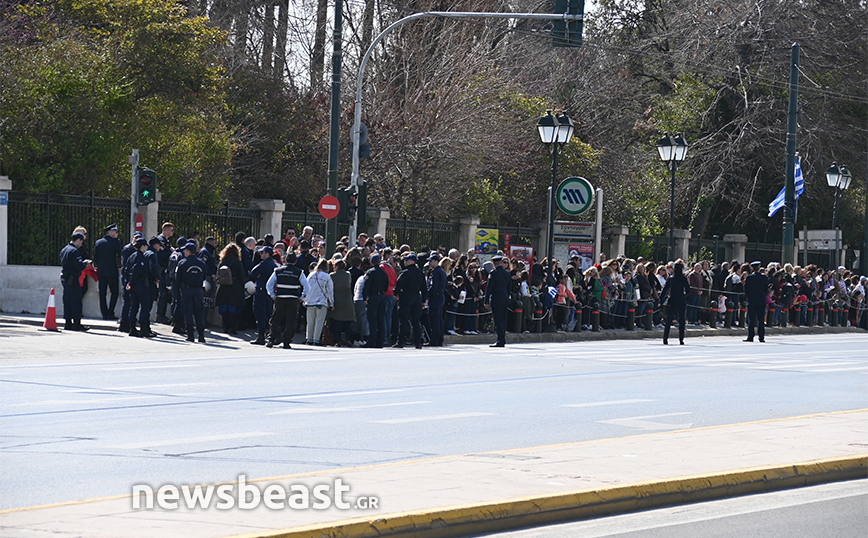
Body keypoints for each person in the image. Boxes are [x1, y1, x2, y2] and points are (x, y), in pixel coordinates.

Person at [266, 252, 308, 349]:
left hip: (280, 297)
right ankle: (286, 341)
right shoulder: (299, 272)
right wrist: (302, 297)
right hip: (293, 299)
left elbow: (269, 284)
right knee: (291, 320)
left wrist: (273, 295)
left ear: (285, 260)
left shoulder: (278, 271)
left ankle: (272, 338)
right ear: (296, 261)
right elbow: (307, 286)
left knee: (275, 319)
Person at [393, 252, 427, 349]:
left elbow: (398, 285)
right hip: (417, 297)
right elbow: (424, 287)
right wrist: (423, 300)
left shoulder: (405, 272)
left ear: (412, 261)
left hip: (406, 297)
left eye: (407, 260)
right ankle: (418, 342)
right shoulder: (420, 272)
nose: (405, 262)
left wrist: (397, 294)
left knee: (403, 321)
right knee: (416, 321)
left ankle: (401, 342)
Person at [175, 242, 207, 342]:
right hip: (198, 290)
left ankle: (190, 336)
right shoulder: (202, 263)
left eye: (185, 250)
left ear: (188, 251)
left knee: (188, 312)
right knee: (199, 313)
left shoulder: (182, 263)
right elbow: (204, 276)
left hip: (187, 290)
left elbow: (177, 278)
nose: (184, 252)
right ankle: (201, 336)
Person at [60, 232, 91, 331]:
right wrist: (85, 263)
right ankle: (77, 323)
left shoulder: (64, 250)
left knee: (67, 300)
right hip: (73, 278)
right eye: (82, 242)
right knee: (76, 301)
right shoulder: (75, 251)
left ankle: (68, 323)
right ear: (78, 240)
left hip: (65, 278)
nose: (81, 245)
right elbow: (78, 266)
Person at [215, 244, 246, 335]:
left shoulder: (222, 262)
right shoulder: (237, 262)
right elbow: (241, 277)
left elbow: (218, 274)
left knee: (224, 307)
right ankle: (232, 327)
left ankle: (225, 326)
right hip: (235, 287)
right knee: (233, 308)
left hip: (223, 286)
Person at [249, 246, 278, 345]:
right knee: (269, 313)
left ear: (267, 254)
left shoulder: (264, 264)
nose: (261, 254)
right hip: (269, 292)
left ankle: (261, 335)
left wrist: (258, 275)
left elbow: (253, 273)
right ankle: (273, 334)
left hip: (261, 290)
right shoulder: (273, 265)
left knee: (259, 312)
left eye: (263, 253)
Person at [93, 223, 122, 320]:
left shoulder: (98, 242)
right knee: (114, 292)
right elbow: (120, 254)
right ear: (111, 232)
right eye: (116, 232)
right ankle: (110, 313)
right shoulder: (115, 242)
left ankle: (104, 314)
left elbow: (95, 258)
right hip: (112, 272)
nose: (117, 234)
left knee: (102, 294)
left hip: (101, 272)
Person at [302, 259, 334, 345]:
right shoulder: (327, 277)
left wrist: (304, 299)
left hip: (310, 301)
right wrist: (331, 303)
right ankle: (316, 339)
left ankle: (309, 338)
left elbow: (306, 288)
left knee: (310, 321)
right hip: (321, 301)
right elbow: (330, 291)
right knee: (319, 321)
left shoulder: (311, 275)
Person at [363, 253, 388, 348]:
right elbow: (386, 286)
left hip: (373, 297)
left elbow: (366, 287)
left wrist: (365, 297)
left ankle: (372, 341)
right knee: (380, 319)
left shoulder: (370, 272)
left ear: (371, 262)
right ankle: (380, 341)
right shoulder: (384, 272)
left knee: (372, 320)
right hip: (381, 297)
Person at [660, 262, 689, 345]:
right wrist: (684, 296)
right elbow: (688, 290)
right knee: (682, 320)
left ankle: (665, 338)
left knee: (669, 320)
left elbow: (665, 290)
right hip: (681, 300)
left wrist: (661, 300)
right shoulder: (683, 278)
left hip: (672, 300)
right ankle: (681, 339)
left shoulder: (671, 279)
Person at [485, 254, 511, 347]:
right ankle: (502, 339)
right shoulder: (507, 273)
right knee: (503, 320)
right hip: (504, 298)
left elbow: (489, 288)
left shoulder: (493, 273)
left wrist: (486, 300)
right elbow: (509, 288)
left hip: (496, 298)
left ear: (494, 263)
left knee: (498, 320)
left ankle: (500, 340)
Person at [327, 259, 354, 346]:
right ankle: (348, 339)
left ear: (337, 267)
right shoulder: (348, 275)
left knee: (337, 321)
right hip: (347, 299)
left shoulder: (332, 276)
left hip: (337, 299)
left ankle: (338, 340)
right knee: (347, 322)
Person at [743, 261, 769, 342]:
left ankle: (750, 336)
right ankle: (761, 337)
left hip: (752, 300)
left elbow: (745, 289)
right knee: (761, 320)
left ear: (752, 268)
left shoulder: (749, 278)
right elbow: (766, 290)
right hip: (761, 300)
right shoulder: (764, 278)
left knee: (751, 319)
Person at [426, 253, 447, 346]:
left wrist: (427, 295)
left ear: (436, 261)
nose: (430, 263)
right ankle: (439, 339)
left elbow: (433, 286)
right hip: (440, 296)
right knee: (439, 319)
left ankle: (434, 340)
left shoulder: (436, 272)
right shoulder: (441, 271)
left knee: (434, 319)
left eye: (431, 261)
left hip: (435, 297)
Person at [155, 222, 174, 323]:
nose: (172, 232)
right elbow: (161, 255)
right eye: (171, 230)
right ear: (166, 230)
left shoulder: (166, 241)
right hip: (162, 270)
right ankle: (160, 315)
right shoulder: (161, 240)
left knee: (165, 293)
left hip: (165, 270)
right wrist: (171, 253)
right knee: (163, 293)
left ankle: (162, 315)